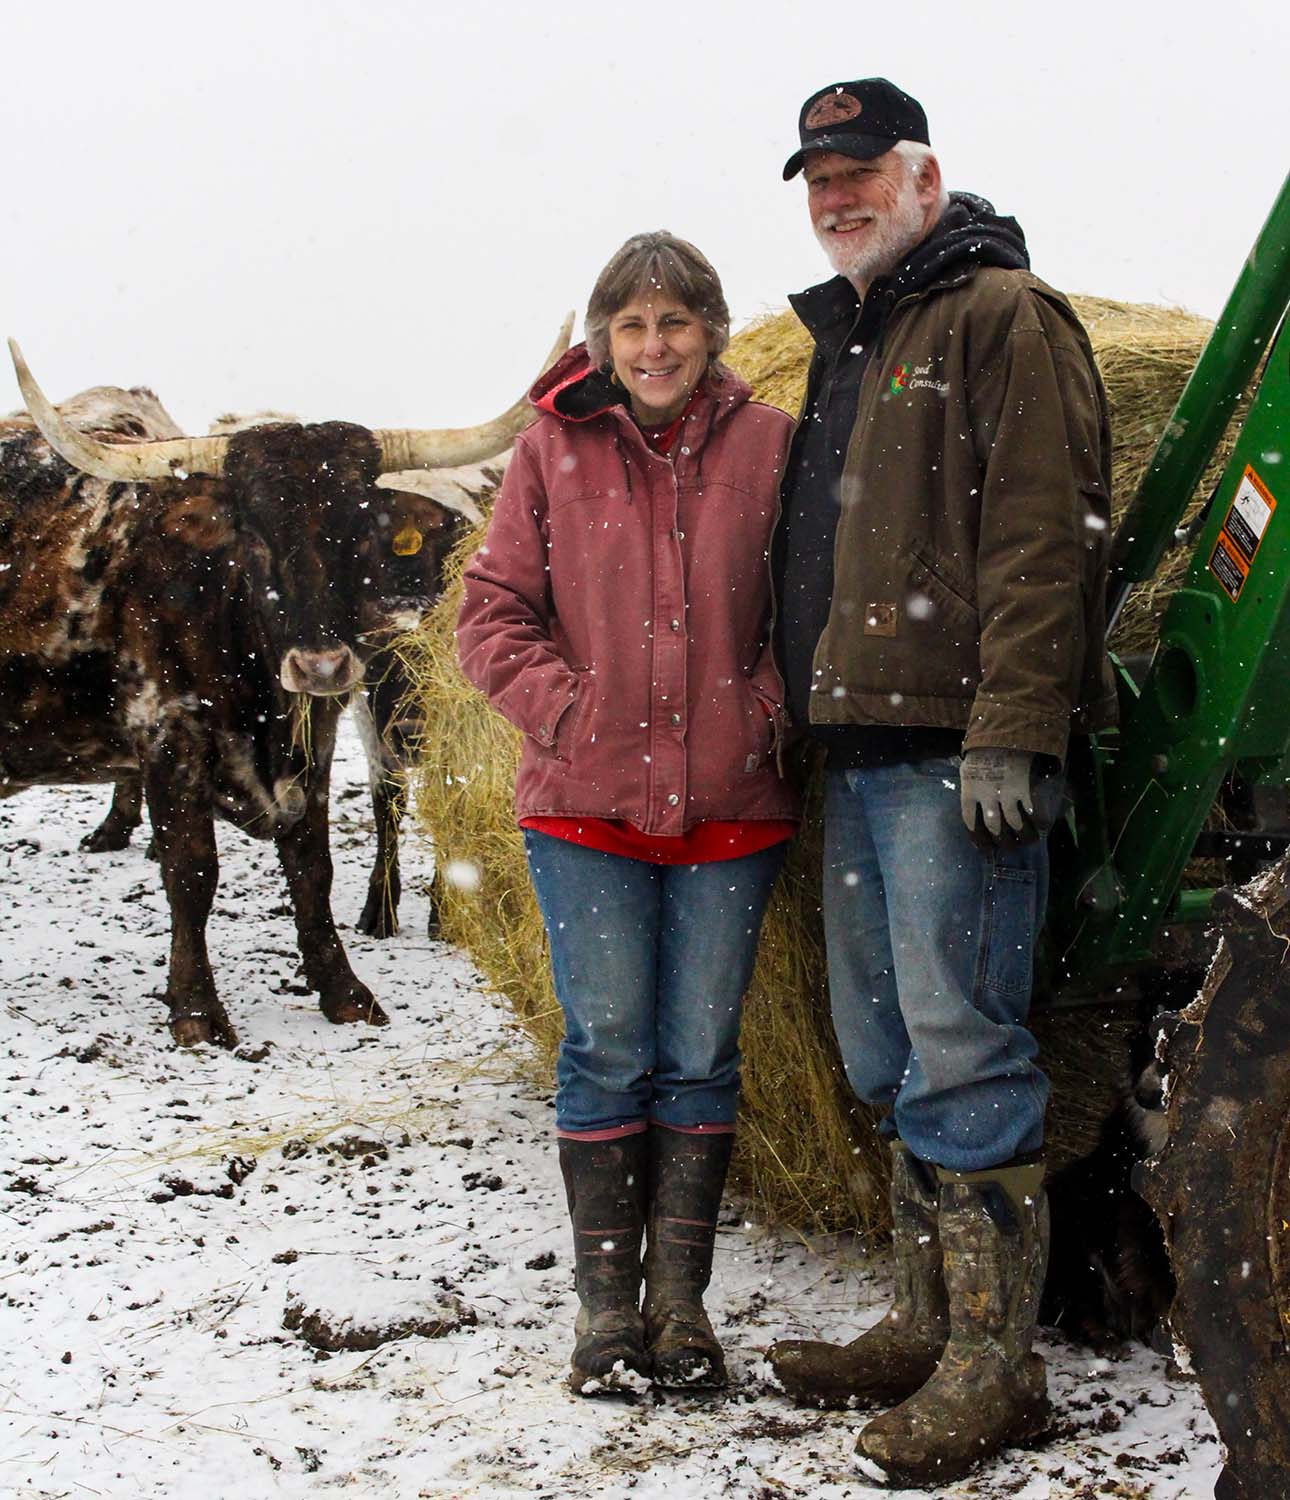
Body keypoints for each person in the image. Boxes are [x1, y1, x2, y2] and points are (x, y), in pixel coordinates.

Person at [763, 79, 1116, 1484]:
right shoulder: (861, 330)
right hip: (858, 761)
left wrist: (1010, 729)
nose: (836, 196)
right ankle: (924, 1319)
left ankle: (994, 1369)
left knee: (963, 1050)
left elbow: (1047, 534)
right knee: (881, 1053)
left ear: (922, 175)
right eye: (816, 178)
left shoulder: (994, 314)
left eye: (859, 171)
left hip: (947, 756)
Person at [456, 232, 799, 1396]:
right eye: (633, 327)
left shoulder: (772, 447)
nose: (654, 347)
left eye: (677, 323)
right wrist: (569, 713)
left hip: (732, 812)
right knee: (607, 1051)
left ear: (712, 333)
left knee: (699, 1057)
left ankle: (683, 1309)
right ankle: (606, 1316)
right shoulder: (551, 449)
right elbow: (490, 612)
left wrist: (760, 715)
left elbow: (816, 613)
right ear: (605, 340)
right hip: (585, 811)